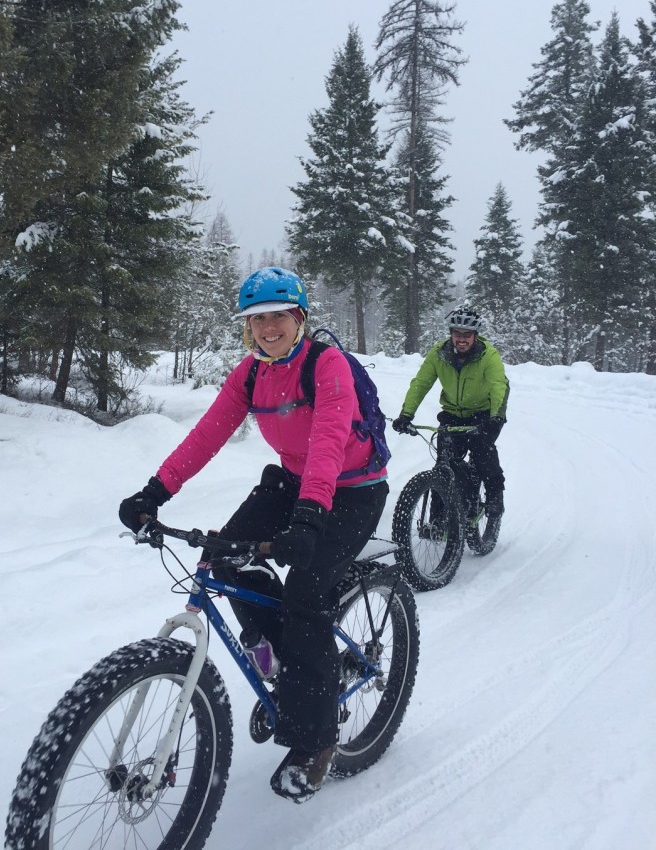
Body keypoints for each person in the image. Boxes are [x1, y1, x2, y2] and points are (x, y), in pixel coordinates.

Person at [118, 266, 389, 804]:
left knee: (306, 596)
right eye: (256, 319)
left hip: (353, 489)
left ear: (299, 319)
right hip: (293, 482)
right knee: (223, 558)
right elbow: (207, 434)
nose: (268, 328)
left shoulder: (326, 365)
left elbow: (331, 440)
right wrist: (155, 491)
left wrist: (311, 517)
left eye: (278, 317)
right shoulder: (250, 374)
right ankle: (287, 660)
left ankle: (315, 742)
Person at [392, 306, 509, 517]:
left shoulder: (488, 356)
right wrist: (406, 414)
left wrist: (495, 417)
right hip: (452, 414)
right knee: (444, 464)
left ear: (475, 336)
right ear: (451, 334)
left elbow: (499, 385)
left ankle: (494, 495)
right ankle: (438, 520)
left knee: (483, 451)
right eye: (457, 334)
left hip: (484, 414)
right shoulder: (439, 354)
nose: (461, 339)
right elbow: (421, 383)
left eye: (467, 335)